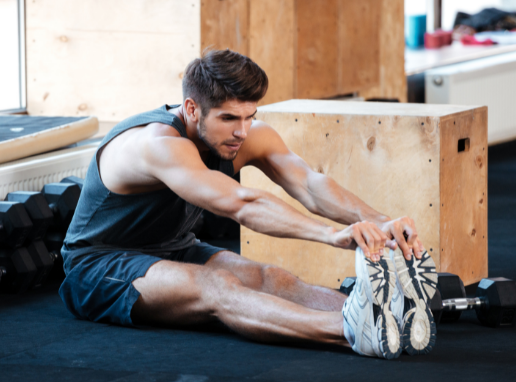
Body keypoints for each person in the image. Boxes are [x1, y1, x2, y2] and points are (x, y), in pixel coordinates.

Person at [59, 49, 438, 359]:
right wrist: (331, 235)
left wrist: (379, 221)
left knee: (272, 278)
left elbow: (309, 183)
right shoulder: (157, 145)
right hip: (99, 266)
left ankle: (387, 316)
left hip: (174, 249)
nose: (241, 130)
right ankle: (351, 329)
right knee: (217, 286)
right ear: (192, 109)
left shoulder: (243, 134)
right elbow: (242, 203)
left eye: (249, 116)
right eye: (228, 118)